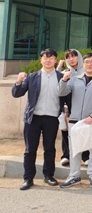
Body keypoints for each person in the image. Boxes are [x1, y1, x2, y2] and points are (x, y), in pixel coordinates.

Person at [12, 48, 63, 190]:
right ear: (41, 60)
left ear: (55, 60)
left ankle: (49, 176)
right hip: (33, 118)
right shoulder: (32, 77)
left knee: (49, 148)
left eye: (51, 58)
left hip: (52, 117)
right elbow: (17, 93)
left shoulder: (61, 77)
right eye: (45, 58)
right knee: (30, 149)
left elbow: (67, 96)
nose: (48, 60)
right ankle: (28, 178)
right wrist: (18, 81)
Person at [58, 53, 92, 188]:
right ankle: (74, 175)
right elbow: (62, 92)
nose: (89, 64)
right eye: (87, 62)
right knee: (74, 149)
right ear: (83, 64)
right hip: (75, 120)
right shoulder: (74, 79)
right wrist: (64, 80)